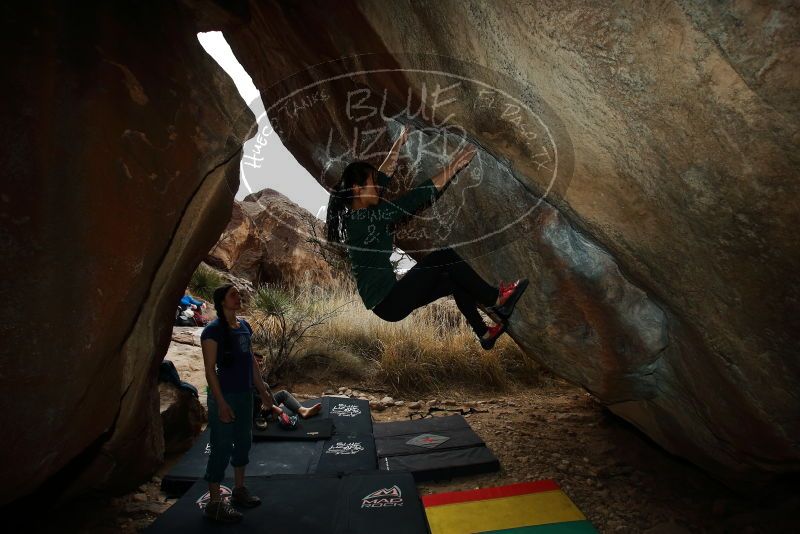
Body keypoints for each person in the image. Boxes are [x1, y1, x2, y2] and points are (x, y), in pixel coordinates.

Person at [325, 125, 528, 350]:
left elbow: (384, 173)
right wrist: (455, 165)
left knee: (455, 279)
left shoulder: (362, 212)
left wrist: (399, 143)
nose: (377, 185)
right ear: (357, 189)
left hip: (390, 302)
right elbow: (414, 199)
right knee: (444, 256)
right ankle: (496, 299)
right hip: (390, 301)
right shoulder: (367, 219)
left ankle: (484, 333)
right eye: (372, 183)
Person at [199, 284, 273, 524]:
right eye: (233, 295)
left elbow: (251, 361)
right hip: (225, 396)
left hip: (244, 395)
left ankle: (239, 490)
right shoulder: (212, 331)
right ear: (222, 301)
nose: (238, 297)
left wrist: (262, 391)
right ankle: (215, 503)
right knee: (220, 446)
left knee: (243, 442)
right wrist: (220, 403)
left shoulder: (244, 326)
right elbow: (210, 370)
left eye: (239, 294)